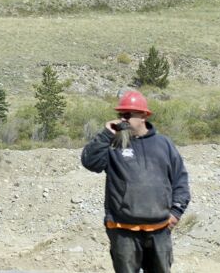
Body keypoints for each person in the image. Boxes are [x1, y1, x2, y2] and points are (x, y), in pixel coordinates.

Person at [81, 90, 190, 273]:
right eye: (120, 115)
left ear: (143, 116)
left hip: (159, 229)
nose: (123, 119)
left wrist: (176, 212)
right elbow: (89, 162)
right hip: (122, 229)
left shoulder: (164, 144)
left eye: (128, 115)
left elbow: (180, 179)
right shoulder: (114, 145)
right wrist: (106, 134)